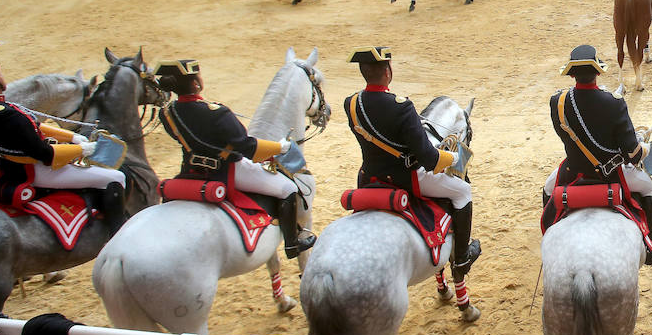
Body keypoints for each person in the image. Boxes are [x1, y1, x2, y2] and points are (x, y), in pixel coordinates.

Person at [343, 46, 480, 286]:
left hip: (370, 177)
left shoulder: (351, 104)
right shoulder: (401, 106)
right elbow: (430, 160)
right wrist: (455, 157)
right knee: (463, 192)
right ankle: (461, 259)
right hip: (407, 178)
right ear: (388, 72)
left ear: (364, 73)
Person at [156, 59, 315, 257]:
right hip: (226, 171)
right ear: (196, 83)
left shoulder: (167, 113)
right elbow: (247, 147)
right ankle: (292, 245)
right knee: (288, 189)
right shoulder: (216, 112)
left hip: (190, 171)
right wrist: (279, 147)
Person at [0, 57, 126, 228]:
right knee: (116, 177)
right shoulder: (7, 114)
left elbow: (30, 126)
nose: (2, 76)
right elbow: (44, 154)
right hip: (32, 172)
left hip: (6, 169)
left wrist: (70, 137)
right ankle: (115, 231)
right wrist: (82, 149)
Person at [544, 44, 652, 263]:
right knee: (650, 188)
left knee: (547, 188)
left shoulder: (558, 103)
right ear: (598, 72)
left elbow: (564, 137)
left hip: (574, 172)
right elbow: (633, 155)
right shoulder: (613, 103)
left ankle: (548, 235)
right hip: (610, 175)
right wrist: (645, 147)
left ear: (571, 74)